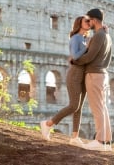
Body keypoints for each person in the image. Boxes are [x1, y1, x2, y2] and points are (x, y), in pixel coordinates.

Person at [40, 15, 91, 147]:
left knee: (78, 108)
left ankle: (74, 137)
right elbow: (74, 56)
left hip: (83, 75)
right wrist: (87, 47)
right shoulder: (76, 38)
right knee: (74, 105)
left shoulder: (85, 39)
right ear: (79, 23)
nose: (89, 22)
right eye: (86, 21)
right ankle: (48, 124)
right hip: (74, 74)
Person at [71, 8, 112, 151]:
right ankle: (106, 141)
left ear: (94, 20)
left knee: (97, 108)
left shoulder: (98, 36)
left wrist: (74, 61)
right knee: (103, 107)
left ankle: (100, 141)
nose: (89, 23)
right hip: (103, 73)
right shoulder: (107, 35)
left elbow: (89, 56)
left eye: (89, 20)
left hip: (94, 74)